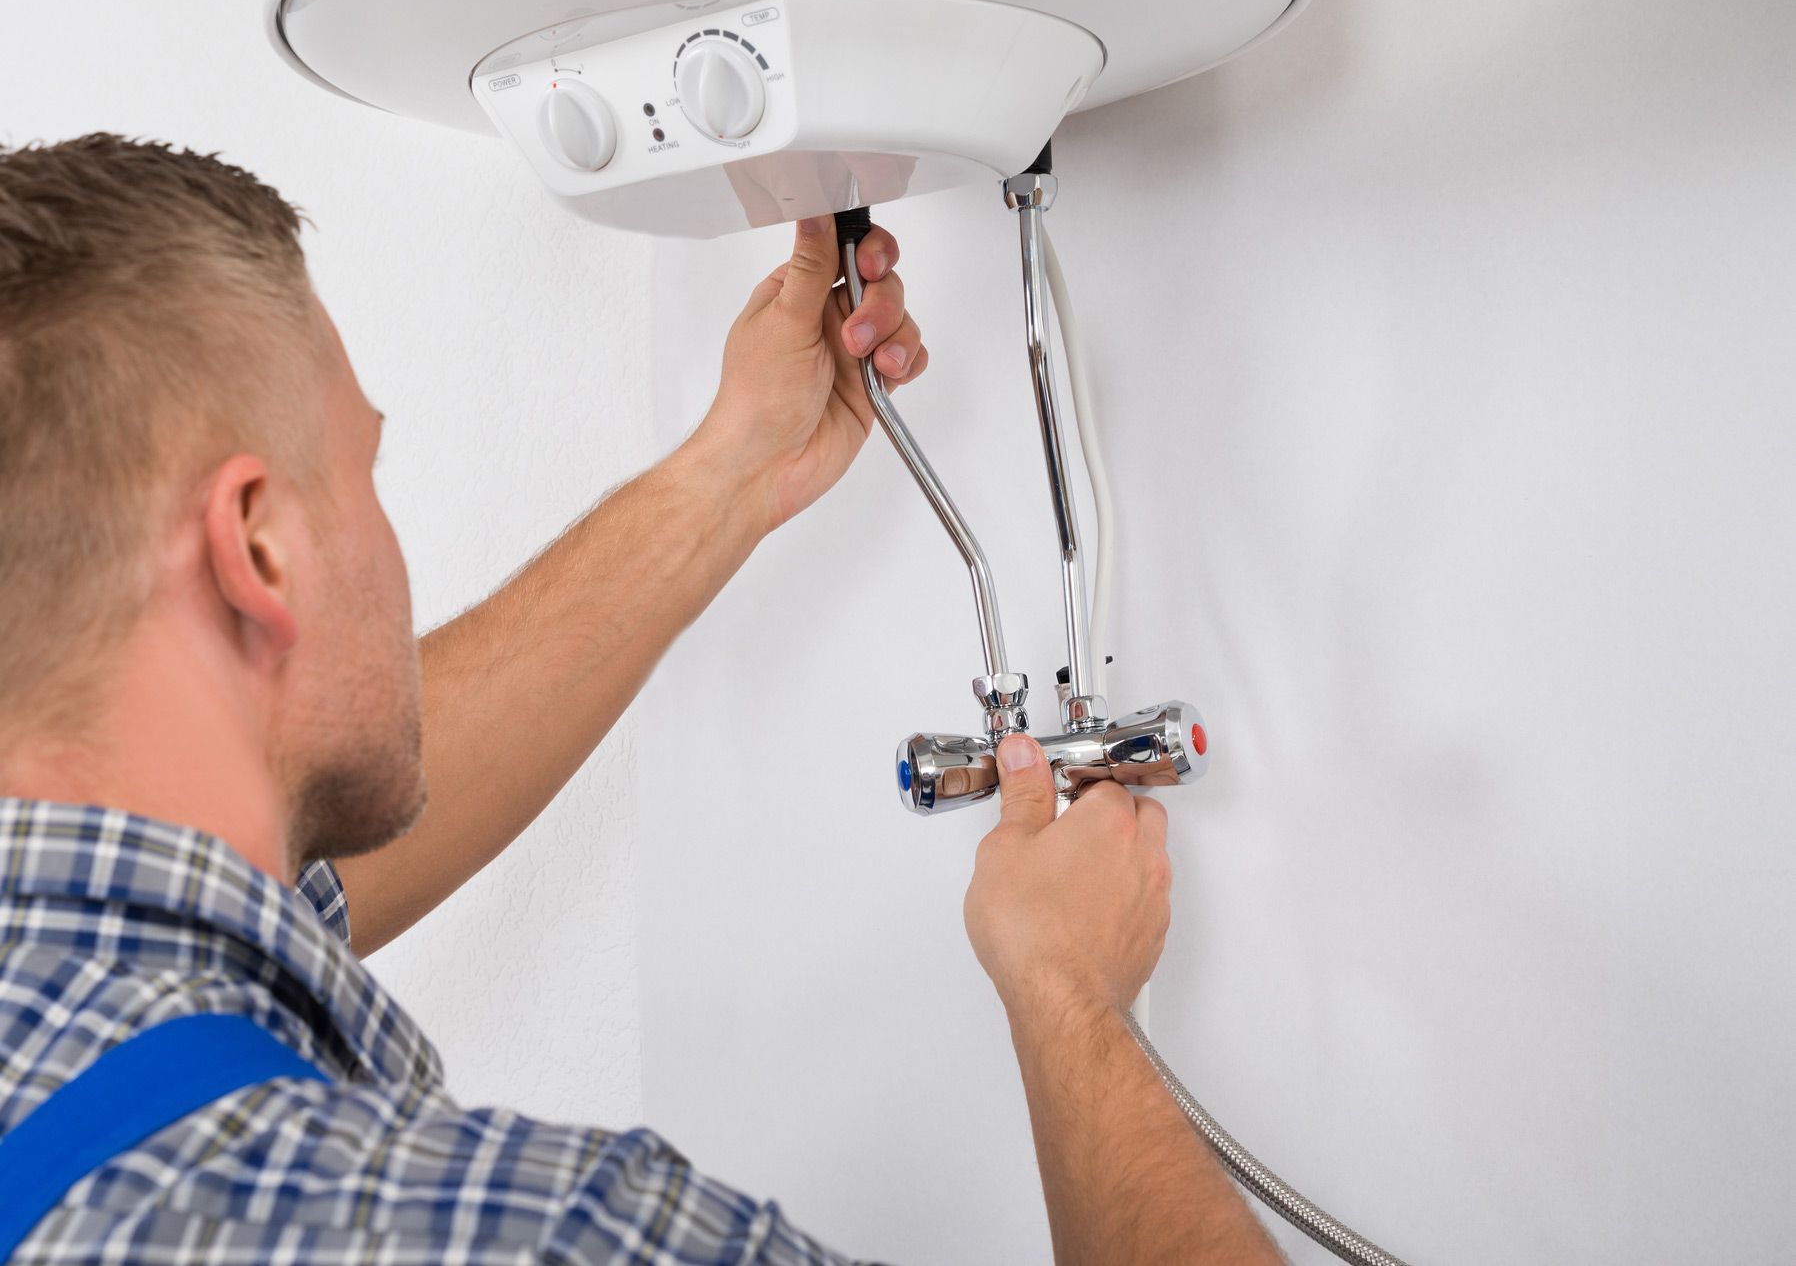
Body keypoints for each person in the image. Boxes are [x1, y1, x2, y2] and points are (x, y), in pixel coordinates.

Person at [0, 135, 1280, 1264]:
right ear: (258, 547)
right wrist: (1066, 991)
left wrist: (733, 470)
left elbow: (272, 858)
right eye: (363, 469)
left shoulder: (65, 996)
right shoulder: (549, 1233)